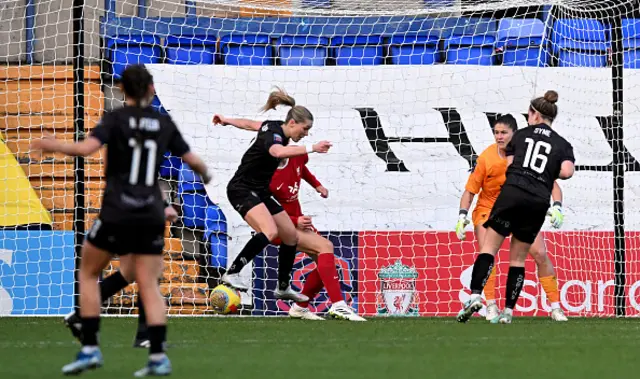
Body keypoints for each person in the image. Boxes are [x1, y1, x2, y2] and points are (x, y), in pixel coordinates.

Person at [32, 64, 211, 376]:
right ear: (151, 89)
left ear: (122, 91)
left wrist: (52, 145)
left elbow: (86, 149)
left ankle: (89, 347)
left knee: (88, 273)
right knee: (149, 283)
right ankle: (157, 355)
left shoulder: (115, 119)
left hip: (117, 211)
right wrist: (207, 174)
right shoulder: (163, 121)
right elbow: (192, 160)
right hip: (150, 214)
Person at [216, 118, 365, 321]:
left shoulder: (294, 155)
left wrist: (317, 185)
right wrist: (295, 221)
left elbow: (301, 169)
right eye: (305, 129)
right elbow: (262, 207)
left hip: (292, 224)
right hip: (284, 224)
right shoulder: (270, 172)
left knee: (326, 264)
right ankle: (337, 305)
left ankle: (298, 305)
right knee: (324, 248)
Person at [455, 90, 575, 324]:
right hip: (535, 202)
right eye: (496, 133)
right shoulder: (561, 144)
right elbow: (566, 172)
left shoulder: (521, 137)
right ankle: (503, 311)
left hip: (511, 197)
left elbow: (512, 167)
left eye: (503, 133)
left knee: (490, 249)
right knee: (517, 259)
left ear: (534, 115)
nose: (500, 137)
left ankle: (476, 295)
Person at [215, 88, 331, 303]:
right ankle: (232, 272)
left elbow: (250, 124)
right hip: (241, 189)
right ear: (293, 123)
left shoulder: (273, 126)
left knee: (290, 235)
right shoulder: (275, 136)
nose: (306, 133)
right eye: (305, 129)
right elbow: (277, 152)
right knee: (269, 231)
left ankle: (283, 287)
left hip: (259, 191)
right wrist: (312, 148)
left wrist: (226, 120)